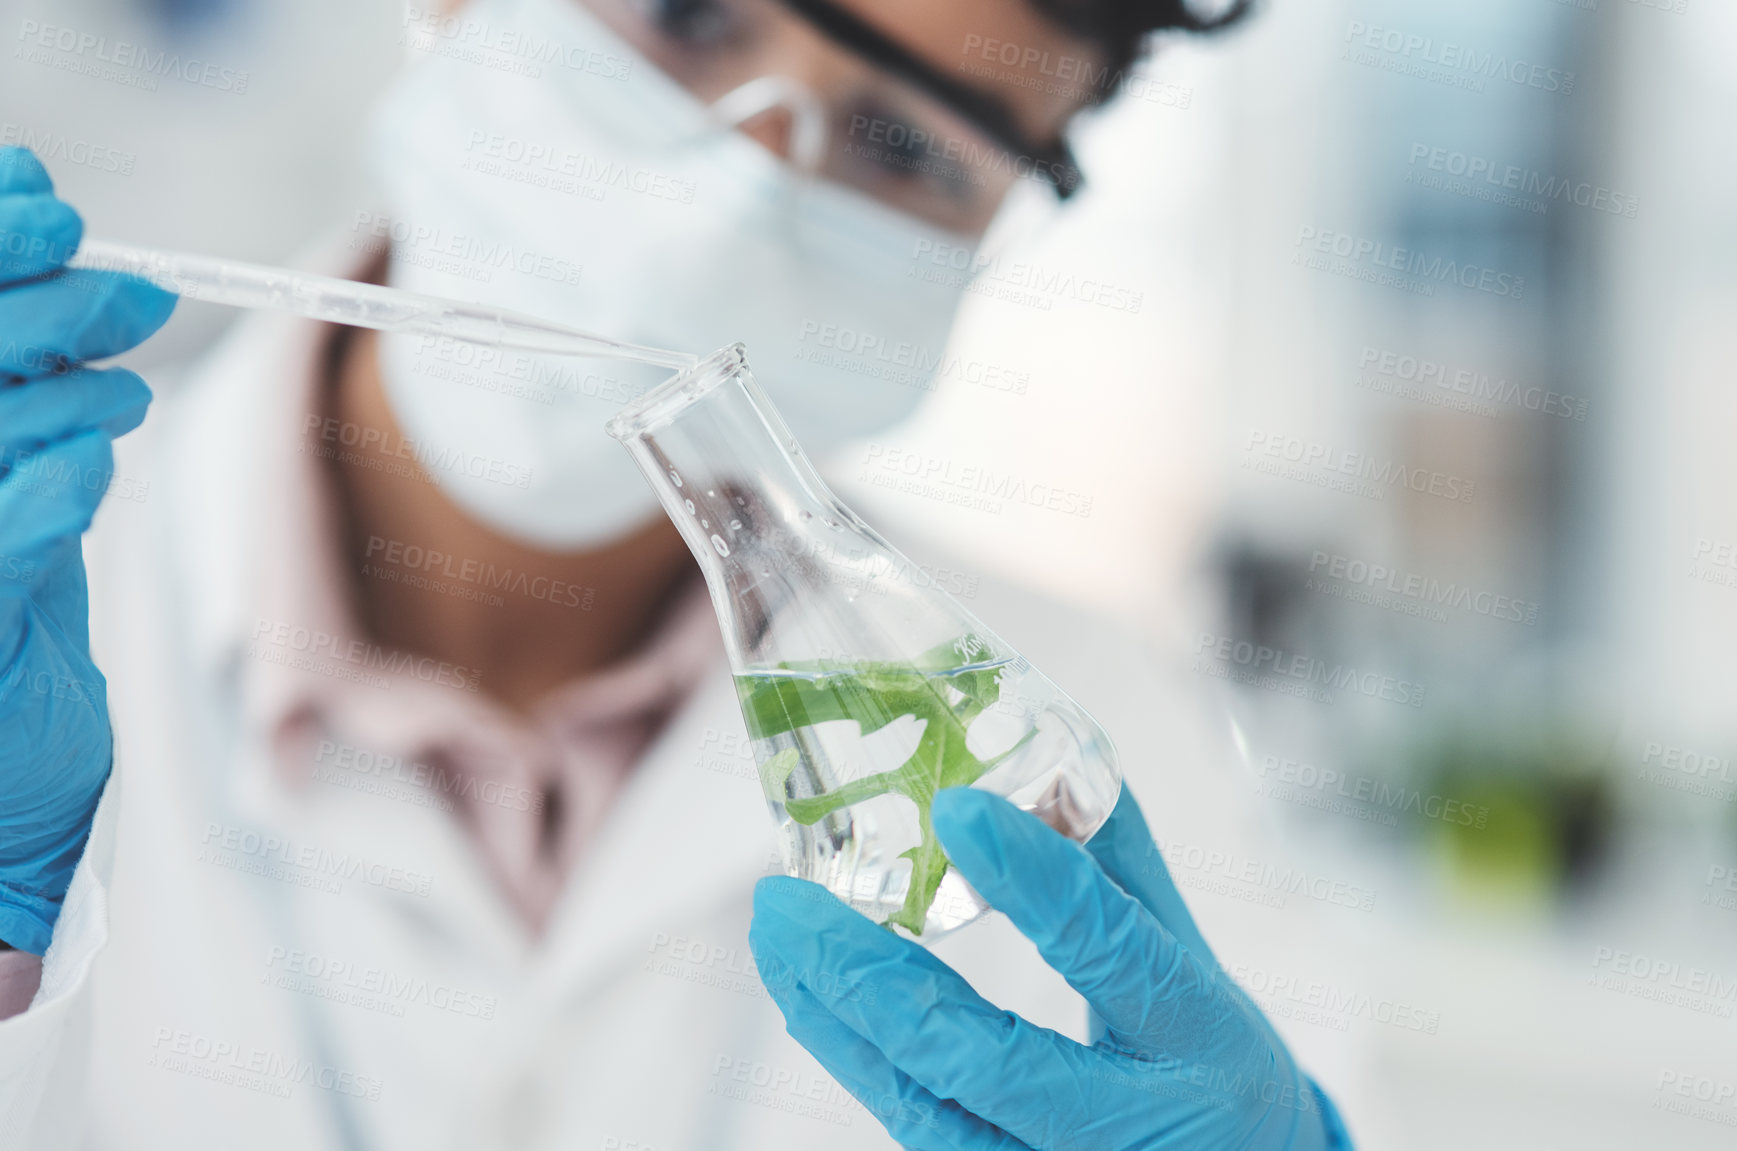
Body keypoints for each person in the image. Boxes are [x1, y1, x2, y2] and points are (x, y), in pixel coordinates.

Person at [0, 0, 1353, 1146]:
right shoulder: (37, 599)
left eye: (900, 143)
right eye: (690, 14)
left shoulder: (1089, 743)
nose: (733, 198)